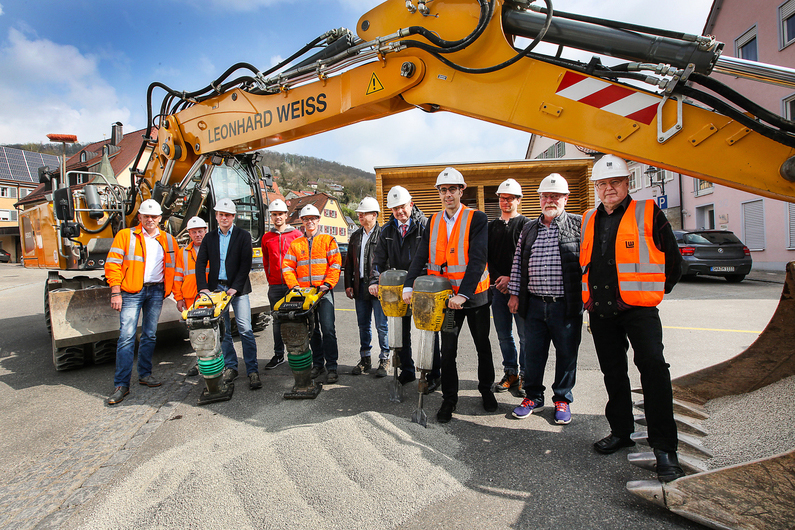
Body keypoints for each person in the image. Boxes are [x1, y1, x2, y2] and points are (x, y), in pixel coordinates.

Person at [581, 154, 685, 482]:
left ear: (627, 183)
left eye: (615, 182)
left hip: (639, 312)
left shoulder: (649, 212)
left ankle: (665, 449)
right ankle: (622, 430)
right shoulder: (588, 218)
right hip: (601, 313)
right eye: (602, 183)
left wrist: (649, 293)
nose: (608, 188)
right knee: (613, 373)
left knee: (654, 371)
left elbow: (673, 262)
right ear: (596, 187)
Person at [403, 167, 496, 423]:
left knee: (482, 345)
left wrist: (464, 294)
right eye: (443, 190)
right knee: (448, 351)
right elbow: (421, 255)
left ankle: (486, 390)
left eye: (452, 189)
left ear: (461, 191)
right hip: (444, 299)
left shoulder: (476, 218)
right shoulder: (433, 221)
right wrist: (409, 285)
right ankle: (449, 399)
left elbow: (478, 259)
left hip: (474, 297)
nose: (447, 194)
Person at [507, 174, 582, 425]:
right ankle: (534, 397)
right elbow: (518, 263)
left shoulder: (578, 225)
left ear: (565, 198)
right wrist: (515, 294)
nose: (550, 200)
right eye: (545, 196)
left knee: (567, 354)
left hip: (566, 305)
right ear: (540, 199)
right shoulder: (529, 228)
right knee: (534, 354)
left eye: (555, 196)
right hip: (535, 304)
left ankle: (562, 399)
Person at [105, 199, 181, 405]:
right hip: (131, 291)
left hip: (156, 291)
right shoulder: (125, 236)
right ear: (139, 217)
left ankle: (145, 375)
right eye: (146, 216)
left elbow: (174, 269)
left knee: (149, 335)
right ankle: (122, 384)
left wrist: (177, 295)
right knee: (127, 337)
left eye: (154, 217)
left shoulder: (169, 240)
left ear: (160, 219)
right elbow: (112, 264)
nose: (150, 220)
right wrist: (115, 291)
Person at [370, 186, 441, 391]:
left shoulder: (424, 225)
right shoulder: (387, 230)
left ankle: (434, 374)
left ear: (410, 204)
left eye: (402, 207)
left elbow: (433, 256)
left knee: (428, 331)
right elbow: (378, 259)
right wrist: (374, 281)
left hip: (422, 285)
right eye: (394, 209)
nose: (399, 212)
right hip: (397, 287)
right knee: (401, 331)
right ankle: (407, 370)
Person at [195, 198, 261, 391]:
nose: (224, 218)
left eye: (228, 215)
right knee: (223, 332)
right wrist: (203, 287)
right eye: (221, 214)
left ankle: (252, 370)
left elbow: (245, 263)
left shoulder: (243, 236)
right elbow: (201, 263)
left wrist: (235, 286)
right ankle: (231, 367)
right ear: (216, 216)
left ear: (234, 216)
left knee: (245, 329)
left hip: (237, 290)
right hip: (216, 290)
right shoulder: (209, 238)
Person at [282, 204, 342, 384]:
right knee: (313, 331)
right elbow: (287, 267)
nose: (310, 222)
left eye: (313, 218)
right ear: (302, 221)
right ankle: (318, 364)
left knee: (328, 330)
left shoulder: (328, 240)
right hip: (305, 296)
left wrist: (327, 284)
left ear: (318, 219)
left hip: (323, 294)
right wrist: (294, 287)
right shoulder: (296, 244)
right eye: (306, 219)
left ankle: (332, 366)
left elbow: (335, 264)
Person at [488, 178, 528, 394]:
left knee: (524, 336)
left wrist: (512, 280)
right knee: (504, 335)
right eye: (503, 198)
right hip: (497, 290)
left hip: (520, 290)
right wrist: (499, 280)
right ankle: (510, 372)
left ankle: (525, 376)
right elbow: (488, 257)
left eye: (510, 198)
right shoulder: (491, 227)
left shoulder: (526, 225)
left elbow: (526, 258)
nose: (506, 202)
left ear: (518, 200)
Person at [345, 197, 391, 378]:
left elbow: (387, 262)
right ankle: (365, 359)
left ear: (374, 215)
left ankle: (384, 358)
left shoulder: (384, 234)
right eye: (359, 213)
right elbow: (348, 263)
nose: (360, 216)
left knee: (382, 325)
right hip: (360, 286)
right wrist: (348, 284)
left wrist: (381, 283)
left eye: (363, 213)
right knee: (363, 325)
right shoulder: (356, 236)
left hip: (379, 287)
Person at [260, 199, 303, 370]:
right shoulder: (266, 238)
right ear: (271, 216)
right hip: (275, 286)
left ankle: (299, 353)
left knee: (297, 319)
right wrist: (270, 279)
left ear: (286, 215)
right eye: (274, 214)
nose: (278, 217)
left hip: (294, 286)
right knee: (277, 321)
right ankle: (279, 355)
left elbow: (302, 260)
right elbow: (265, 261)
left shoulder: (297, 236)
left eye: (280, 214)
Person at [174, 216, 209, 377]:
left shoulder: (211, 249)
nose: (197, 235)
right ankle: (199, 362)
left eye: (200, 231)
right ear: (189, 233)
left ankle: (213, 360)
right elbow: (177, 276)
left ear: (205, 231)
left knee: (212, 331)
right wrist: (178, 297)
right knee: (195, 332)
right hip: (190, 298)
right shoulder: (183, 253)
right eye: (194, 232)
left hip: (209, 297)